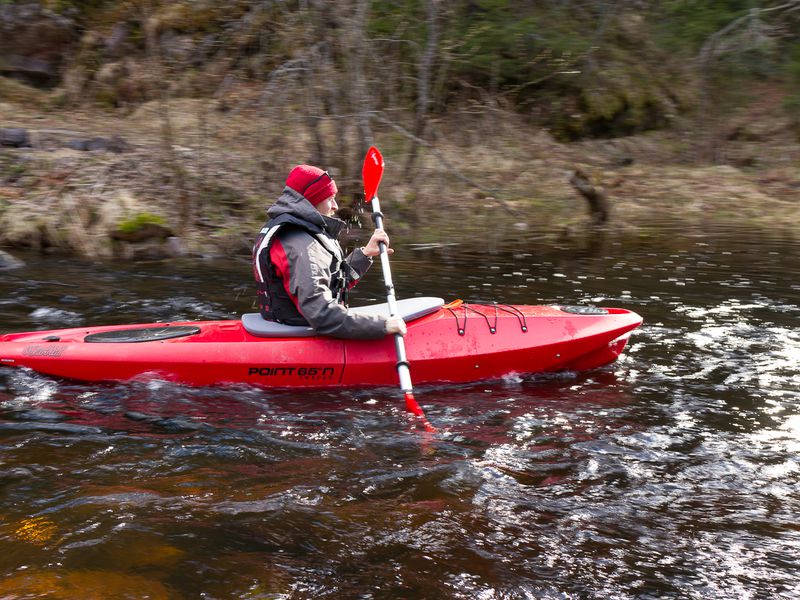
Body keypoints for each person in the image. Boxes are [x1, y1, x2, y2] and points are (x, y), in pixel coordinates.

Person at [252, 164, 407, 339]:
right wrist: (381, 325)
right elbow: (321, 314)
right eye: (330, 198)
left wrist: (364, 255)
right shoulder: (303, 245)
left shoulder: (297, 233)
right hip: (299, 335)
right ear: (311, 201)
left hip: (284, 323)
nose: (335, 206)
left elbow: (332, 282)